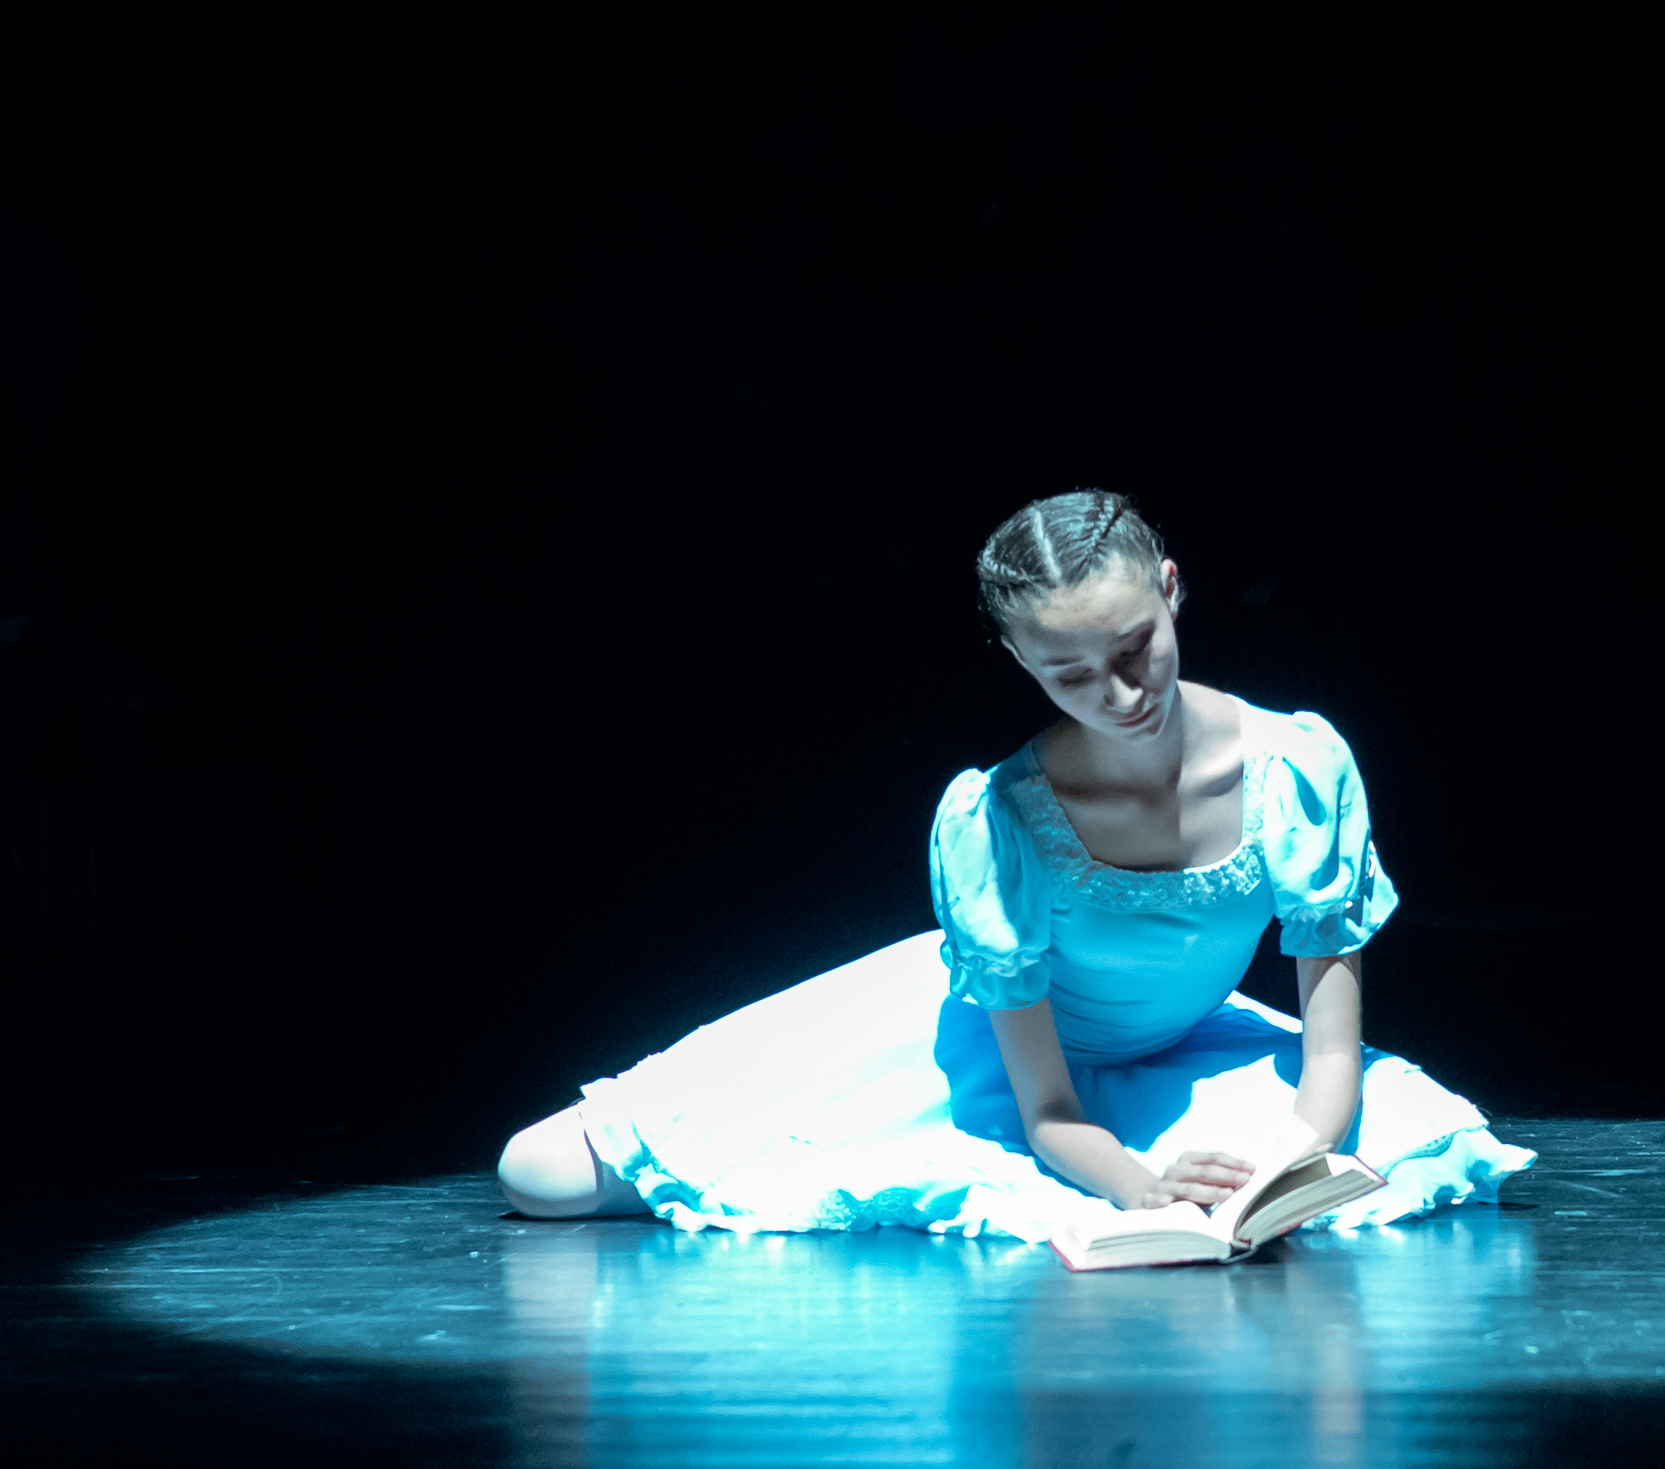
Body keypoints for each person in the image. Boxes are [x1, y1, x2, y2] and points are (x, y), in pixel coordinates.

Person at [493, 489, 1531, 1238]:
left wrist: (1283, 1162)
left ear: (1171, 590)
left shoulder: (1298, 767)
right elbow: (1049, 1112)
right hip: (992, 1051)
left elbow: (1332, 1059)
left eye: (1134, 647)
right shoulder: (997, 822)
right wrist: (1138, 1192)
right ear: (1021, 662)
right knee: (541, 1173)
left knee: (1411, 1141)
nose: (1119, 695)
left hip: (1184, 1048)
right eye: (1069, 675)